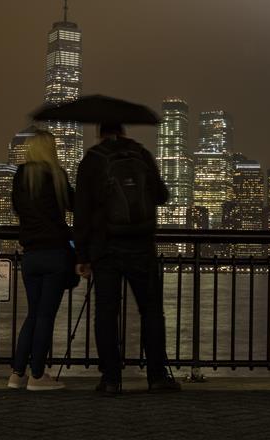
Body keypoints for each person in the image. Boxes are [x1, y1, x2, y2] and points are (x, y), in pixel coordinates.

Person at [74, 122, 181, 394]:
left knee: (106, 313)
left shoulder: (93, 160)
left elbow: (82, 211)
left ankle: (111, 379)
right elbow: (162, 195)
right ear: (123, 130)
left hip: (106, 248)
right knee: (152, 311)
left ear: (100, 132)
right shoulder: (141, 154)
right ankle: (157, 376)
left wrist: (83, 255)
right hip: (142, 246)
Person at [8, 129, 79, 391]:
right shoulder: (57, 175)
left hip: (31, 256)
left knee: (33, 314)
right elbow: (75, 205)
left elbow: (16, 207)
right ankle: (37, 375)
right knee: (46, 316)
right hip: (56, 254)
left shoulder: (21, 175)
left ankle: (17, 374)